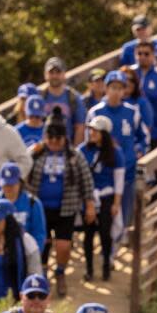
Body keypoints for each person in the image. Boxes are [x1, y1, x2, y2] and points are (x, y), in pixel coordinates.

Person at [27, 110, 96, 295]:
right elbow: (22, 169)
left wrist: (90, 205)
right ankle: (41, 276)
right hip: (40, 208)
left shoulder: (74, 156)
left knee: (63, 245)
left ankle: (60, 271)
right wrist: (32, 152)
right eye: (50, 138)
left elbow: (87, 180)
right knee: (42, 243)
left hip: (66, 208)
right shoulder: (37, 154)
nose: (54, 143)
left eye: (58, 139)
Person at [87, 71, 145, 228]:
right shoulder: (95, 112)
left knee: (125, 208)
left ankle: (124, 235)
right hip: (103, 171)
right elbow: (89, 140)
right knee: (104, 212)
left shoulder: (132, 111)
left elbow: (143, 135)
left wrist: (139, 150)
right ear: (106, 88)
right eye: (113, 87)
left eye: (120, 88)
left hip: (127, 167)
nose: (116, 91)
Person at [78, 115, 124, 280]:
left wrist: (116, 203)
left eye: (96, 130)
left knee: (105, 233)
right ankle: (89, 269)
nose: (92, 133)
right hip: (89, 198)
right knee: (88, 234)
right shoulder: (83, 150)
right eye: (91, 129)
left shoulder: (115, 153)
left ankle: (106, 266)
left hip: (106, 197)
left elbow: (119, 179)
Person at [37, 56, 86, 145]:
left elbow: (80, 127)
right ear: (45, 74)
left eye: (58, 72)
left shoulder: (74, 97)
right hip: (43, 149)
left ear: (64, 74)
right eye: (51, 72)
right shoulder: (39, 97)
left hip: (66, 149)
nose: (55, 76)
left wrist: (74, 152)